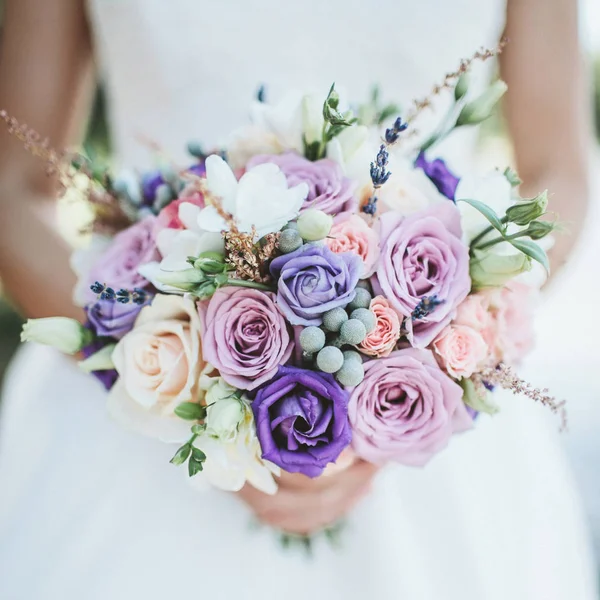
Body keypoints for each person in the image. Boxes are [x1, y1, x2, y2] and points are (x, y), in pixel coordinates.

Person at [0, 1, 596, 598]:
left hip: (437, 448)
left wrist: (419, 365)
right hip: (128, 438)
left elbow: (557, 174)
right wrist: (180, 372)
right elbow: (12, 191)